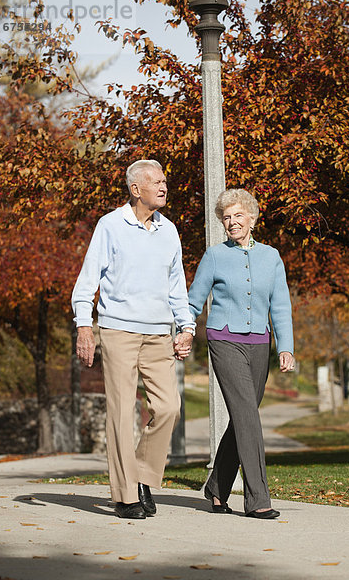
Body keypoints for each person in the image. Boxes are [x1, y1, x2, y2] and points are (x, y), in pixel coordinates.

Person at [71, 159, 195, 520]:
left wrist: (186, 327)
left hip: (159, 333)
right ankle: (125, 496)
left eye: (164, 181)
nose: (163, 186)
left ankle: (141, 475)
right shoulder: (110, 226)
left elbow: (177, 288)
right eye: (155, 181)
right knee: (123, 414)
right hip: (118, 331)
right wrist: (84, 326)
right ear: (135, 189)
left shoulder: (169, 231)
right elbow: (87, 280)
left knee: (169, 407)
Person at [187, 188, 294, 520]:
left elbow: (280, 305)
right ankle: (258, 498)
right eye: (226, 217)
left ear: (252, 217)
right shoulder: (215, 256)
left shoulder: (271, 257)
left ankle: (217, 487)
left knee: (243, 418)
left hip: (260, 343)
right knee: (249, 416)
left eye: (237, 216)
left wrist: (286, 346)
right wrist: (185, 329)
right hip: (224, 339)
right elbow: (193, 298)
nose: (231, 222)